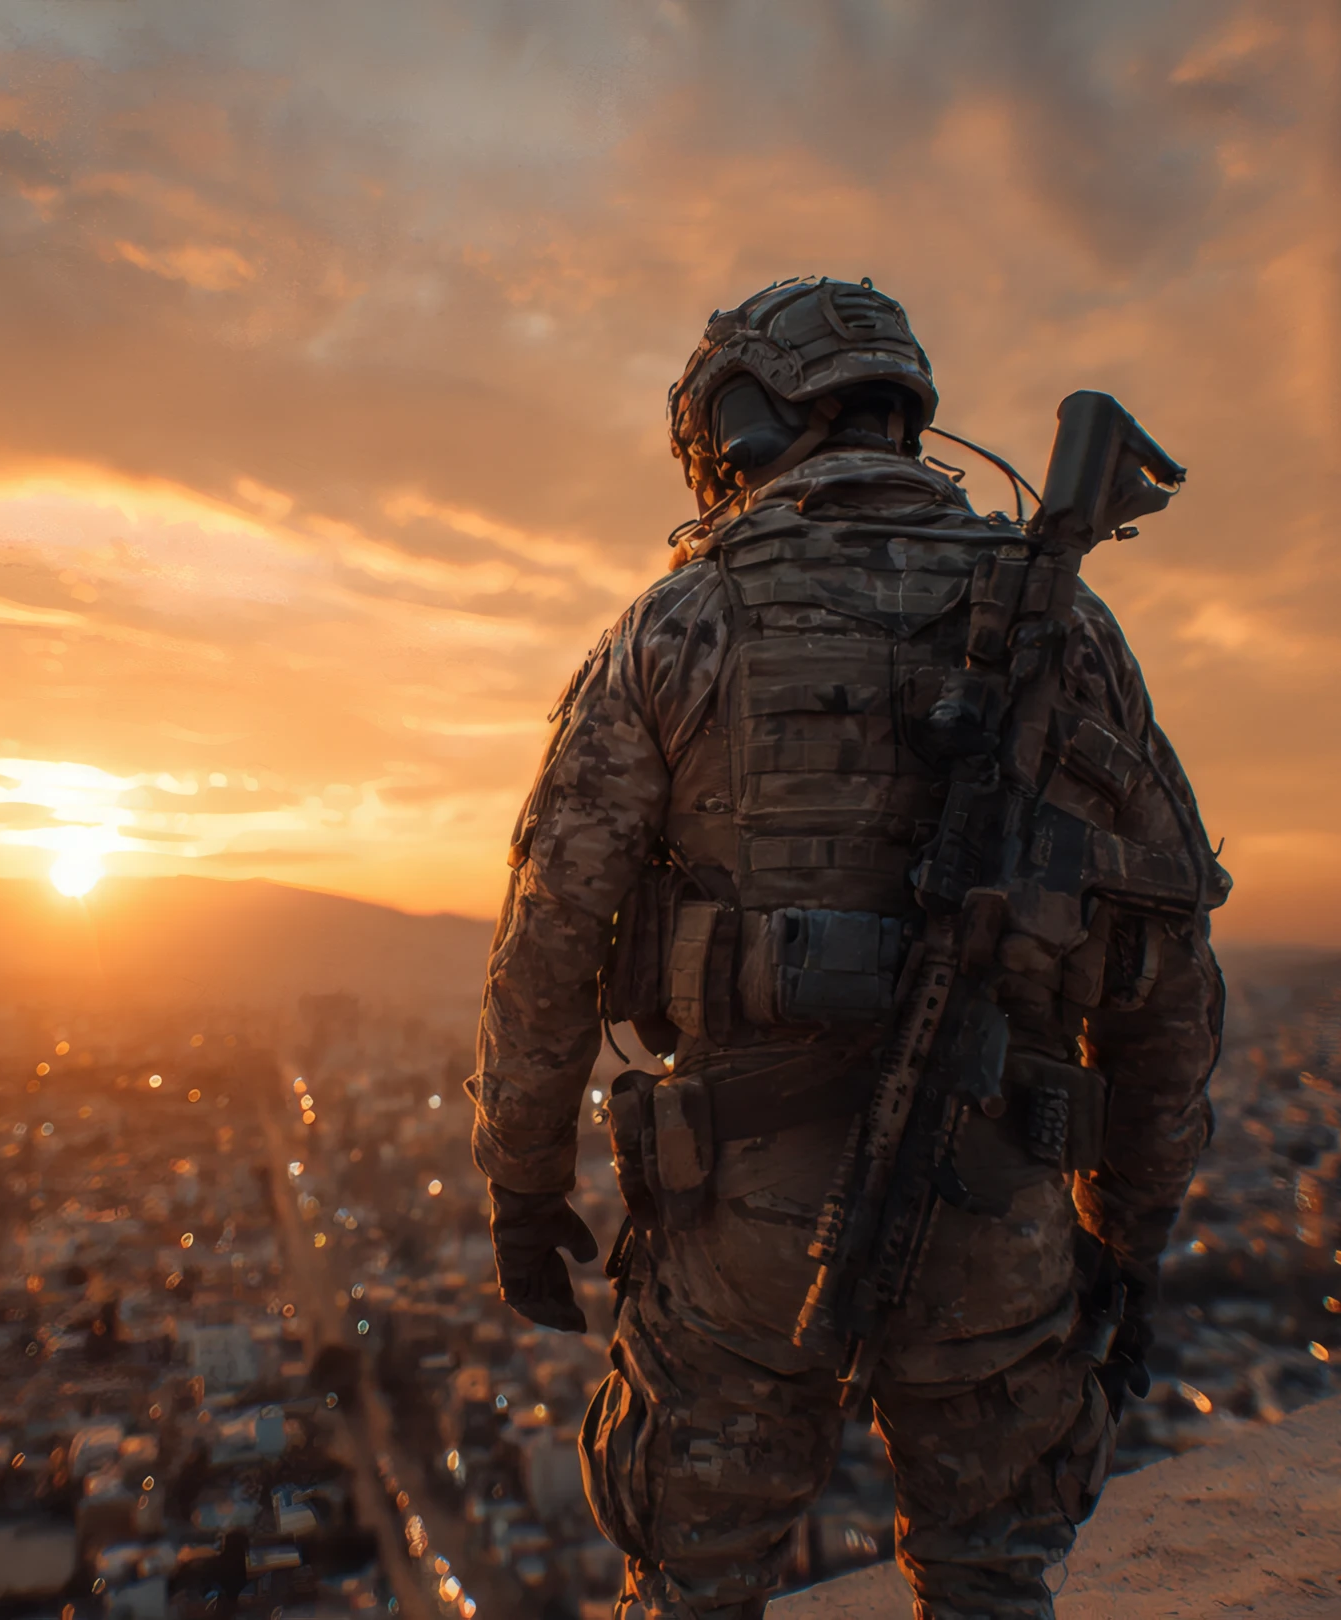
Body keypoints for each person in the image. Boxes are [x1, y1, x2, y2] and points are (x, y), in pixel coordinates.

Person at [469, 277, 1228, 1620]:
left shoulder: (681, 626)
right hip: (1001, 1213)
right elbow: (1165, 969)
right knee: (994, 1585)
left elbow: (550, 946)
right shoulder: (1070, 630)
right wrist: (1131, 1236)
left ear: (747, 419)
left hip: (741, 1237)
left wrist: (522, 1189)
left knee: (696, 1588)